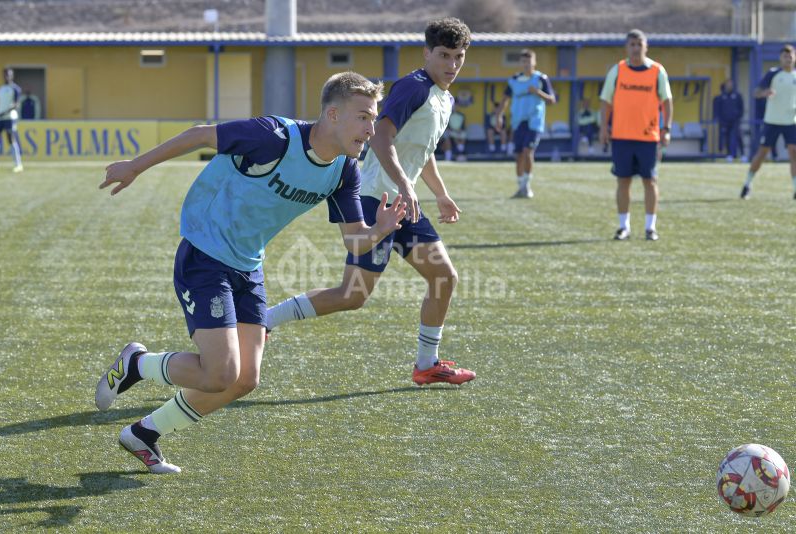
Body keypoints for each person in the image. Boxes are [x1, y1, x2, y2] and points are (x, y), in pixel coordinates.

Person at [94, 71, 407, 474]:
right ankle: (137, 364)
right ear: (332, 114)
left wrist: (378, 230)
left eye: (374, 117)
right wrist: (136, 166)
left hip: (248, 264)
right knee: (219, 372)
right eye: (364, 116)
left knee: (244, 380)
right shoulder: (273, 136)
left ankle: (144, 433)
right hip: (205, 252)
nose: (371, 127)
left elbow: (354, 242)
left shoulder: (344, 170)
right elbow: (201, 135)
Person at [265, 18, 476, 387]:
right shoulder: (414, 87)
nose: (452, 64)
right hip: (374, 200)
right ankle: (265, 319)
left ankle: (427, 364)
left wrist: (439, 193)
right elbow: (381, 138)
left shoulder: (445, 97)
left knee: (443, 277)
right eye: (444, 55)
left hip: (401, 202)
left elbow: (421, 150)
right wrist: (404, 187)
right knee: (353, 295)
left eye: (458, 56)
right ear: (427, 53)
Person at [599, 29, 673, 241]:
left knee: (650, 181)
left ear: (646, 47)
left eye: (639, 44)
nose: (635, 48)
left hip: (648, 137)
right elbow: (606, 101)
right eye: (632, 44)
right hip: (621, 136)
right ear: (626, 47)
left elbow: (667, 102)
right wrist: (604, 127)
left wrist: (666, 129)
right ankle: (624, 227)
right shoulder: (618, 70)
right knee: (623, 181)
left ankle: (650, 228)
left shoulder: (657, 71)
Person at [495, 48, 556, 199]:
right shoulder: (514, 80)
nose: (526, 64)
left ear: (534, 62)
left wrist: (538, 92)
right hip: (517, 122)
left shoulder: (541, 78)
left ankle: (527, 186)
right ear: (520, 63)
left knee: (528, 151)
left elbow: (552, 100)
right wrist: (499, 116)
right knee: (518, 155)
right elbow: (505, 99)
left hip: (534, 121)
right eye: (523, 61)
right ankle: (521, 186)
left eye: (529, 61)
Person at [740, 44, 796, 200]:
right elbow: (756, 93)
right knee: (762, 153)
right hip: (772, 121)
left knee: (794, 153)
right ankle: (747, 184)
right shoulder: (773, 74)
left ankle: (795, 188)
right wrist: (765, 93)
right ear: (780, 58)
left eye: (791, 56)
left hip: (791, 122)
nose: (788, 59)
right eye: (785, 56)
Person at [0, 68, 23, 172]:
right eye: (5, 74)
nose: (7, 76)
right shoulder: (1, 88)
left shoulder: (15, 88)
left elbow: (16, 104)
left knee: (10, 138)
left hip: (9, 117)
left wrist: (6, 112)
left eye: (9, 74)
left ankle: (18, 164)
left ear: (12, 75)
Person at [713, 79, 744, 162]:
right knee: (726, 138)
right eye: (728, 84)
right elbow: (717, 110)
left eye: (731, 84)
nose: (730, 86)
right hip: (725, 122)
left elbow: (741, 108)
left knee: (738, 137)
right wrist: (719, 119)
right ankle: (729, 155)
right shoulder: (721, 97)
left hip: (735, 121)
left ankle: (742, 154)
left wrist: (738, 116)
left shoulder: (737, 96)